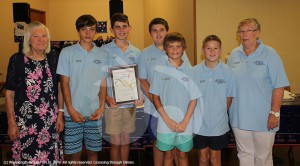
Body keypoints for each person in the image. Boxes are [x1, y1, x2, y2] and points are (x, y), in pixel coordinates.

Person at [227, 18, 289, 166]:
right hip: (238, 118)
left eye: (249, 30)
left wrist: (274, 113)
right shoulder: (233, 55)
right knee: (244, 155)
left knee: (263, 158)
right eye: (241, 31)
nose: (244, 34)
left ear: (258, 33)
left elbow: (279, 86)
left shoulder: (270, 54)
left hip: (264, 117)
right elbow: (228, 87)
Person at [5, 21, 64, 165]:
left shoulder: (53, 57)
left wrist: (60, 114)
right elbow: (9, 94)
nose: (41, 39)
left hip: (50, 122)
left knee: (50, 160)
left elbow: (60, 87)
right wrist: (11, 122)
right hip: (25, 124)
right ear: (28, 39)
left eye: (44, 36)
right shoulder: (17, 60)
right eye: (36, 36)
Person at [57, 14, 109, 165]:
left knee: (93, 153)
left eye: (91, 29)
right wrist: (71, 110)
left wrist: (101, 107)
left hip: (94, 112)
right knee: (75, 155)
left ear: (96, 31)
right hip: (73, 112)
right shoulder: (67, 53)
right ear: (78, 31)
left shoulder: (103, 54)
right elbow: (64, 84)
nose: (88, 33)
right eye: (83, 29)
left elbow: (103, 83)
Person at [138, 18, 191, 166]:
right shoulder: (145, 53)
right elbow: (142, 79)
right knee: (159, 143)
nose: (158, 33)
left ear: (167, 31)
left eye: (161, 30)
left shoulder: (180, 51)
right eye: (154, 31)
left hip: (177, 107)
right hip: (154, 108)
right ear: (150, 33)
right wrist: (156, 100)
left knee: (178, 146)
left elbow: (186, 77)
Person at [149, 32, 201, 166]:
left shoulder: (191, 71)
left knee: (182, 155)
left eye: (178, 46)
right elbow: (155, 97)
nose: (174, 50)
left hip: (186, 122)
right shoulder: (159, 70)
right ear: (165, 48)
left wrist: (185, 121)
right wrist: (167, 119)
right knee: (168, 154)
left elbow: (194, 99)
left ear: (183, 48)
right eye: (171, 46)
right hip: (165, 122)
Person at [101, 13, 143, 165]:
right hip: (113, 104)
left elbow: (139, 77)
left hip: (130, 104)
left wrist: (139, 96)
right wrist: (106, 98)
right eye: (117, 27)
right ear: (112, 30)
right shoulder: (104, 51)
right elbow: (100, 79)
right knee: (115, 142)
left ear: (129, 28)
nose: (121, 30)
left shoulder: (137, 52)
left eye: (124, 26)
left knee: (126, 141)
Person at [193, 35, 235, 166]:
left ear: (220, 50)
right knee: (203, 159)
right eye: (208, 48)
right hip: (199, 125)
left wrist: (219, 114)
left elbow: (229, 99)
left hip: (219, 126)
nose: (212, 51)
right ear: (202, 51)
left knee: (215, 159)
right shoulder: (194, 72)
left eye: (216, 48)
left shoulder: (228, 72)